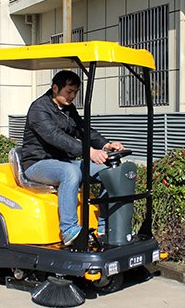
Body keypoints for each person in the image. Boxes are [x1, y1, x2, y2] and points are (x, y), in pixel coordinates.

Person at [21, 70, 125, 245]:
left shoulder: (68, 109)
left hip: (63, 162)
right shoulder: (39, 109)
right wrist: (89, 152)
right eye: (69, 91)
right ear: (55, 88)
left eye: (75, 92)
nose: (72, 96)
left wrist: (106, 145)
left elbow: (83, 130)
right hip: (37, 164)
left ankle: (105, 225)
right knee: (70, 172)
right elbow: (56, 137)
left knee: (110, 171)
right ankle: (69, 230)